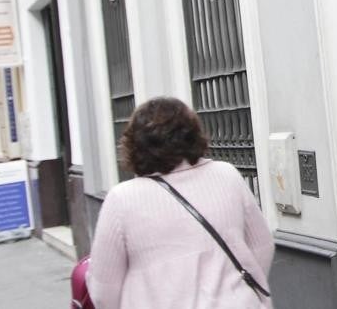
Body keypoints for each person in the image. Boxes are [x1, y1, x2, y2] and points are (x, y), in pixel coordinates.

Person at [88, 97, 273, 308]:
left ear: (134, 145)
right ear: (193, 134)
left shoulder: (121, 199)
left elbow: (104, 289)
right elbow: (262, 245)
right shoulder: (226, 175)